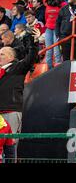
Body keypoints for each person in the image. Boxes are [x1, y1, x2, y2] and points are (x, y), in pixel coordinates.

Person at [0, 27, 40, 159]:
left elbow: (31, 58)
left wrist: (35, 43)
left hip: (10, 111)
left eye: (2, 54)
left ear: (11, 57)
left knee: (10, 146)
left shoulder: (18, 67)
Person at [44, 0, 66, 69]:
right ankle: (48, 70)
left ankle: (57, 69)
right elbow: (46, 16)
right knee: (48, 51)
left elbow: (63, 17)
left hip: (58, 28)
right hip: (49, 28)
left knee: (57, 51)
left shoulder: (63, 4)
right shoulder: (48, 3)